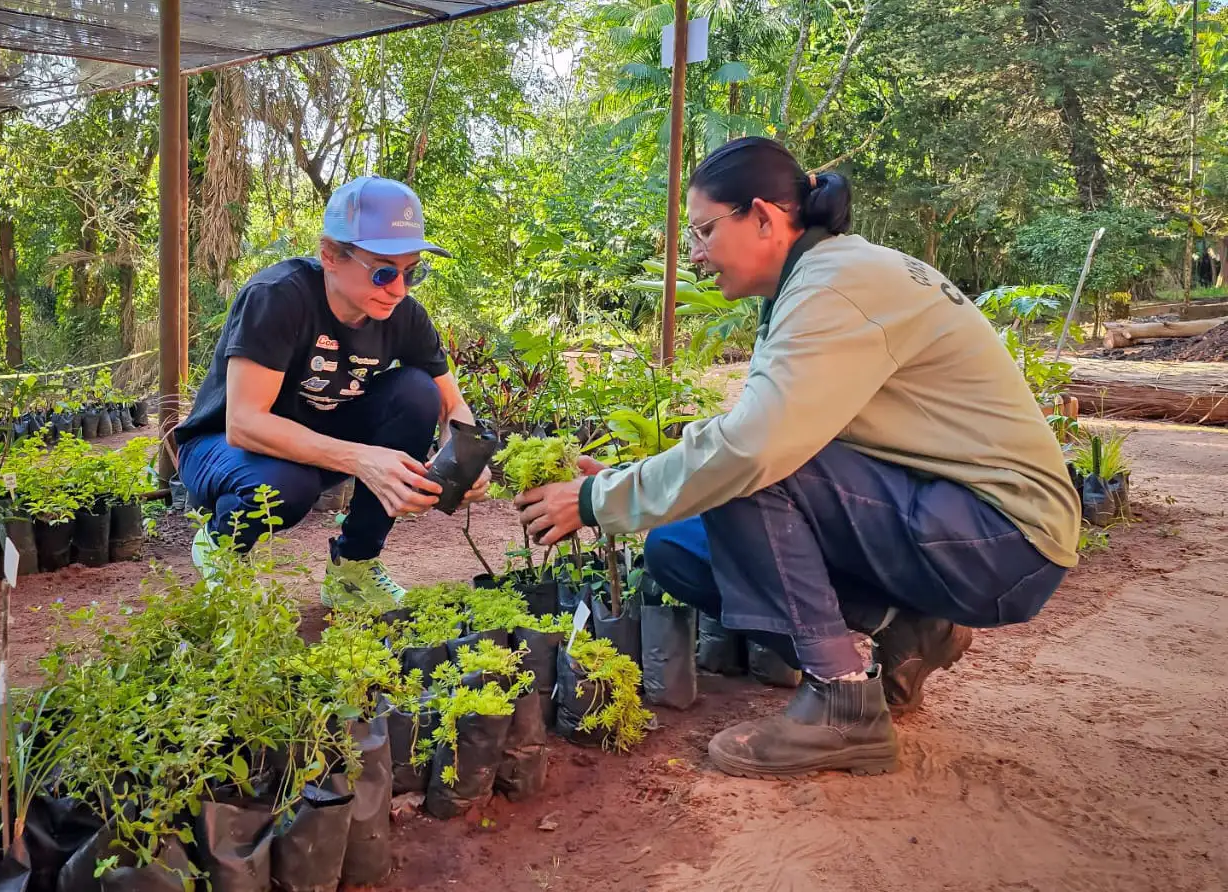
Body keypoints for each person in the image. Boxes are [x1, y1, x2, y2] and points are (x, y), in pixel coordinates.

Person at [515, 137, 1080, 779]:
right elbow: (764, 435)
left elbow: (752, 448)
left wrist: (594, 501)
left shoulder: (836, 287)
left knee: (747, 473)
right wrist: (629, 482)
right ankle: (908, 633)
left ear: (762, 216)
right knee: (680, 549)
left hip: (1003, 536)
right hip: (952, 523)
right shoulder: (819, 277)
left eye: (703, 230)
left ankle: (843, 704)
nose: (695, 254)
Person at [175, 176, 488, 604]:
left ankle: (352, 568)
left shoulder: (404, 316)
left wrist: (464, 459)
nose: (398, 288)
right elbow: (244, 423)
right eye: (382, 272)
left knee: (417, 392)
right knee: (286, 487)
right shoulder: (277, 298)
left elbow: (452, 403)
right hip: (224, 448)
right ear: (330, 256)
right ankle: (221, 547)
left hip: (320, 443)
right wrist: (364, 459)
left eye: (412, 272)